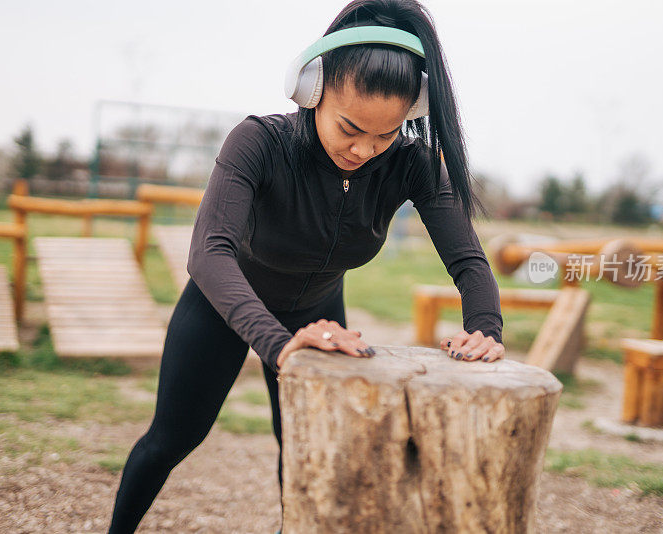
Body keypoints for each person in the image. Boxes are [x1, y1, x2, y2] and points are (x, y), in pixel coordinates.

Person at [107, 0, 505, 531]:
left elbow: (468, 260)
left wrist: (485, 327)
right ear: (312, 90)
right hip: (220, 308)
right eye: (350, 127)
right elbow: (209, 252)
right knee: (172, 439)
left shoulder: (411, 163)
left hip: (319, 313)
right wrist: (278, 345)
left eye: (385, 135)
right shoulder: (258, 142)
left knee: (301, 450)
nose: (365, 149)